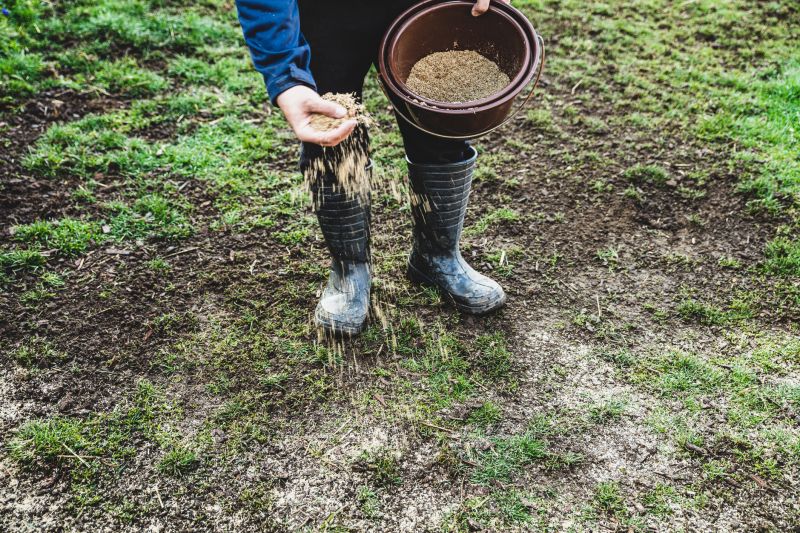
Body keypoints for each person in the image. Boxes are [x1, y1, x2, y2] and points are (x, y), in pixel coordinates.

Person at [236, 0, 510, 335]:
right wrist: (285, 75)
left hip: (426, 4)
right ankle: (350, 270)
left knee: (443, 121)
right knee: (332, 129)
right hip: (325, 13)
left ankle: (437, 258)